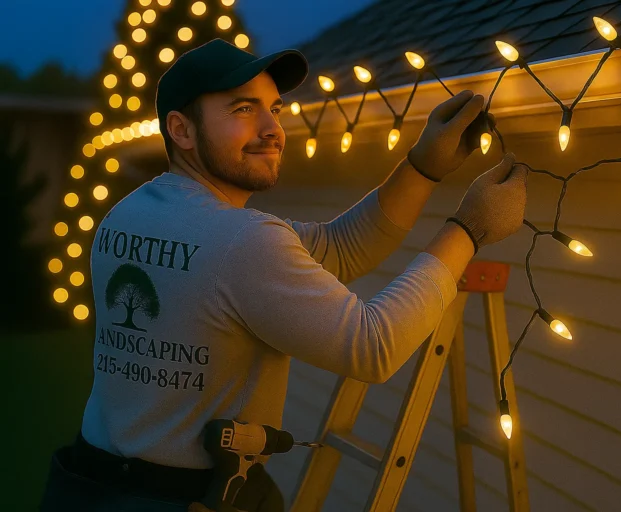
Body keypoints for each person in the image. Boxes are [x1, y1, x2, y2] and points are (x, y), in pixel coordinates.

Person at [39, 38, 528, 512]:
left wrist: (422, 168)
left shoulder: (125, 215)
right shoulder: (240, 240)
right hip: (185, 498)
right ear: (182, 130)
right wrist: (469, 229)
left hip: (87, 485)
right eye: (243, 109)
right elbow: (374, 346)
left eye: (275, 108)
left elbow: (340, 248)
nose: (273, 127)